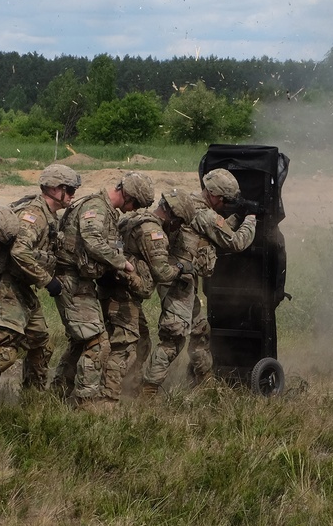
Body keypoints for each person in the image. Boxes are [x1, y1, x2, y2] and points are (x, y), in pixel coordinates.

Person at [0, 163, 80, 404]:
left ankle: (32, 400)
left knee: (40, 344)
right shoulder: (34, 215)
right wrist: (48, 281)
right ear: (54, 189)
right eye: (69, 190)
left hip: (21, 289)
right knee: (6, 352)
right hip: (5, 288)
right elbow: (20, 252)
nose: (72, 195)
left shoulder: (49, 216)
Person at [141, 169, 256, 395]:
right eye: (224, 200)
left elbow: (215, 230)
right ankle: (149, 388)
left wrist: (236, 216)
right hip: (178, 280)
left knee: (200, 330)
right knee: (173, 338)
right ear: (213, 195)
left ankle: (204, 379)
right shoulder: (205, 215)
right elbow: (236, 242)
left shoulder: (194, 203)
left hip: (182, 278)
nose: (225, 204)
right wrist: (251, 220)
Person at [51, 172, 151, 408]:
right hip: (71, 280)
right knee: (97, 343)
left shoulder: (107, 211)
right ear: (127, 195)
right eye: (135, 203)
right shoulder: (97, 206)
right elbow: (92, 240)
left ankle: (59, 392)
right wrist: (122, 263)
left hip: (82, 282)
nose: (133, 210)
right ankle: (85, 403)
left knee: (81, 342)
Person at [99, 186, 193, 405]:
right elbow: (163, 273)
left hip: (115, 290)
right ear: (173, 217)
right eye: (178, 223)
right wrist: (181, 266)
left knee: (142, 343)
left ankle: (129, 389)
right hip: (123, 296)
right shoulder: (154, 232)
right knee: (124, 349)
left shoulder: (134, 219)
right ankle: (107, 399)